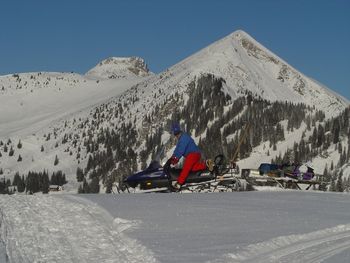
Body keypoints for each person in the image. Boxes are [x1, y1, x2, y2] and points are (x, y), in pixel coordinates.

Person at [168, 123, 213, 191]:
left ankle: (179, 184)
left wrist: (175, 159)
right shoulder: (181, 139)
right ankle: (206, 164)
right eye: (175, 134)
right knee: (193, 168)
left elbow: (180, 150)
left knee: (186, 168)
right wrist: (171, 158)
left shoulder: (184, 138)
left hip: (193, 154)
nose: (176, 136)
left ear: (179, 132)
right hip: (195, 154)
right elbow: (176, 150)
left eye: (176, 134)